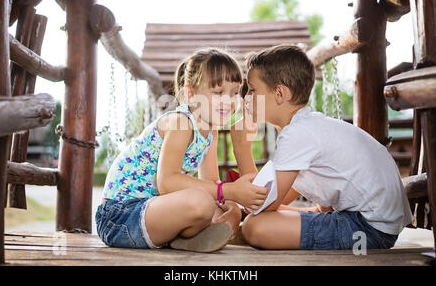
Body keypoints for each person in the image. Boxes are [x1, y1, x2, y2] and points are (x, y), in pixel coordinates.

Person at [230, 44, 413, 250]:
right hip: (374, 223)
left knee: (256, 227)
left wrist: (241, 147)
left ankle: (239, 232)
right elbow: (273, 200)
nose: (245, 98)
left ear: (280, 94)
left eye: (253, 90)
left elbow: (260, 204)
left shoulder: (297, 134)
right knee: (257, 216)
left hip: (369, 229)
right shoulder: (306, 126)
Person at [96, 48, 268, 252]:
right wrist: (230, 191)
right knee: (200, 201)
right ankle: (188, 234)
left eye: (234, 93)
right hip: (119, 217)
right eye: (219, 92)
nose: (229, 101)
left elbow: (211, 184)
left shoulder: (209, 131)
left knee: (210, 204)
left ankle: (185, 239)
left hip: (153, 211)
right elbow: (168, 183)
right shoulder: (180, 123)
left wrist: (232, 209)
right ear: (191, 94)